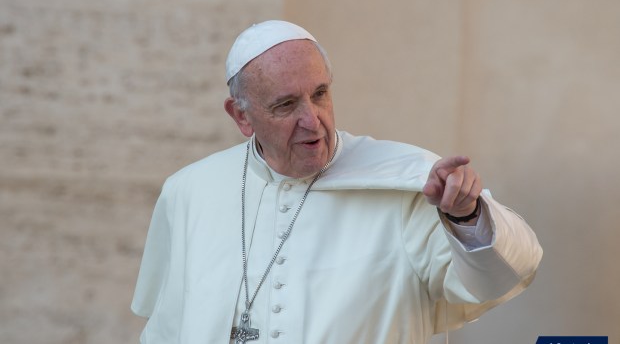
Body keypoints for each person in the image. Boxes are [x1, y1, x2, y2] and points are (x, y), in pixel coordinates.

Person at [131, 20, 543, 344]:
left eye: (320, 94)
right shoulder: (189, 192)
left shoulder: (407, 180)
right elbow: (166, 330)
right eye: (286, 105)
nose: (312, 121)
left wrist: (467, 215)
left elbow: (504, 277)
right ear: (241, 116)